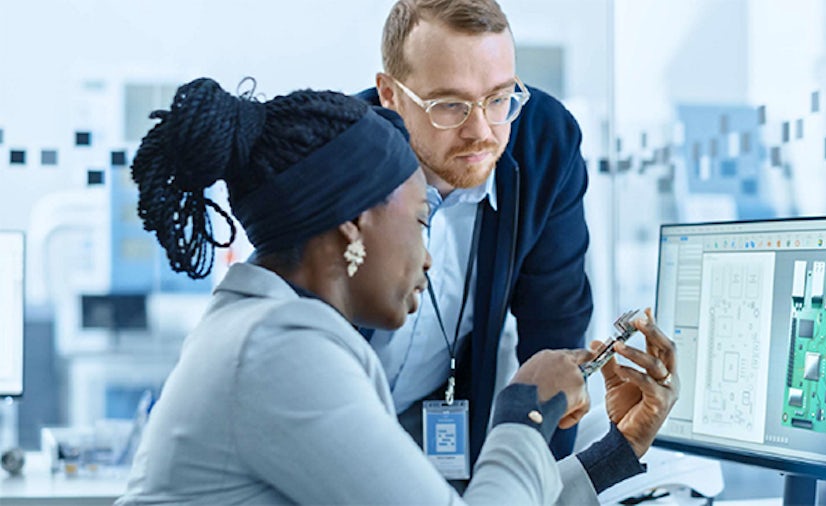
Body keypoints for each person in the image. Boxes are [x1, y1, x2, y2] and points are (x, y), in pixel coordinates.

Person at [113, 77, 679, 504]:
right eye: (419, 222)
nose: (429, 257)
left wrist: (616, 453)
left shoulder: (273, 333)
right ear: (353, 229)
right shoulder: (280, 353)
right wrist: (524, 411)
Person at [357, 0, 629, 465]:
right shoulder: (338, 153)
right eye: (450, 105)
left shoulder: (544, 141)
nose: (481, 131)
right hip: (332, 409)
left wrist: (547, 483)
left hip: (438, 418)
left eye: (500, 98)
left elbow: (554, 337)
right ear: (390, 94)